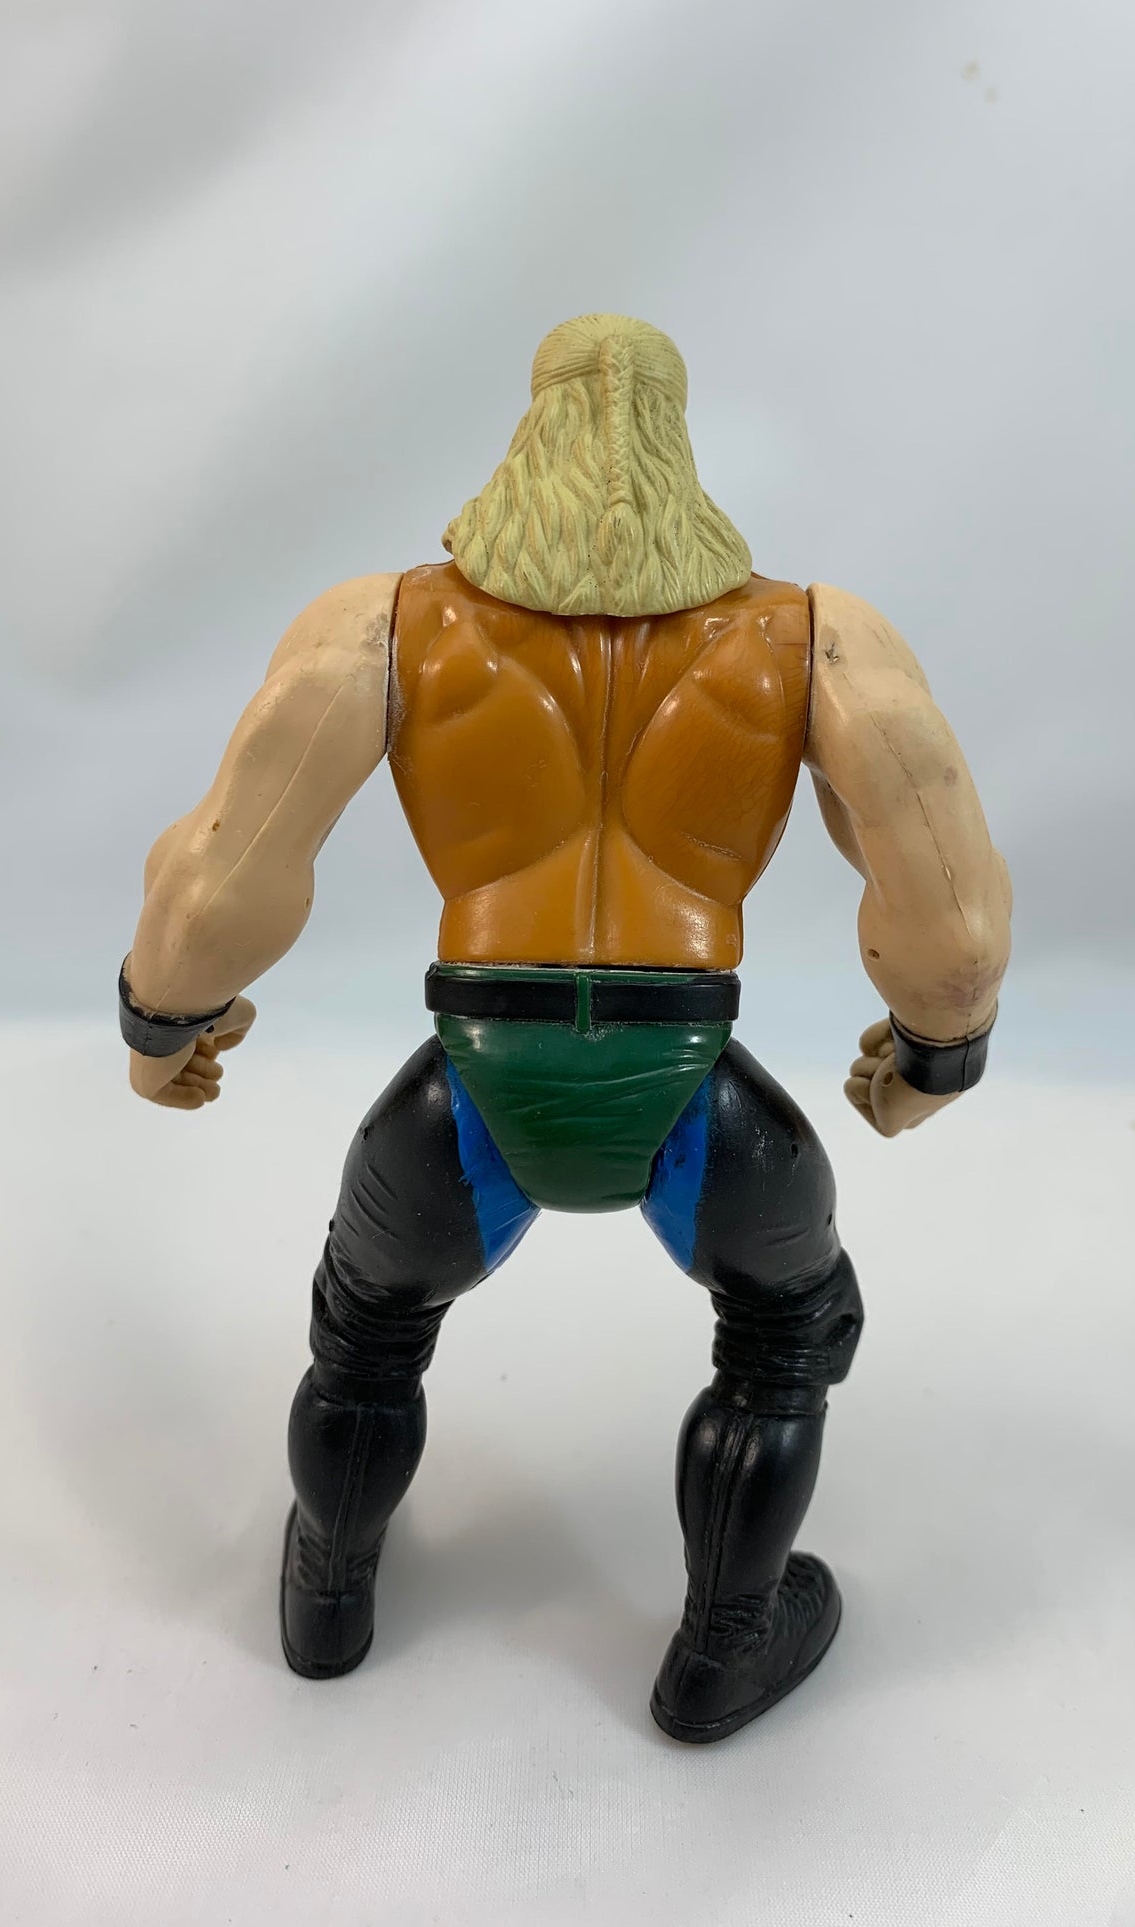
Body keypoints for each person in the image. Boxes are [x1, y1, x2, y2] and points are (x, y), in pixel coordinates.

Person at [120, 314, 1012, 1743]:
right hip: (689, 1087)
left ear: (528, 431)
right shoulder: (810, 639)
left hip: (477, 1080)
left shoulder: (385, 625)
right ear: (677, 443)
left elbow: (226, 869)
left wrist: (162, 1019)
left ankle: (328, 1595)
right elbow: (948, 910)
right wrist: (927, 1054)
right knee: (789, 1331)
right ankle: (724, 1646)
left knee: (365, 1330)